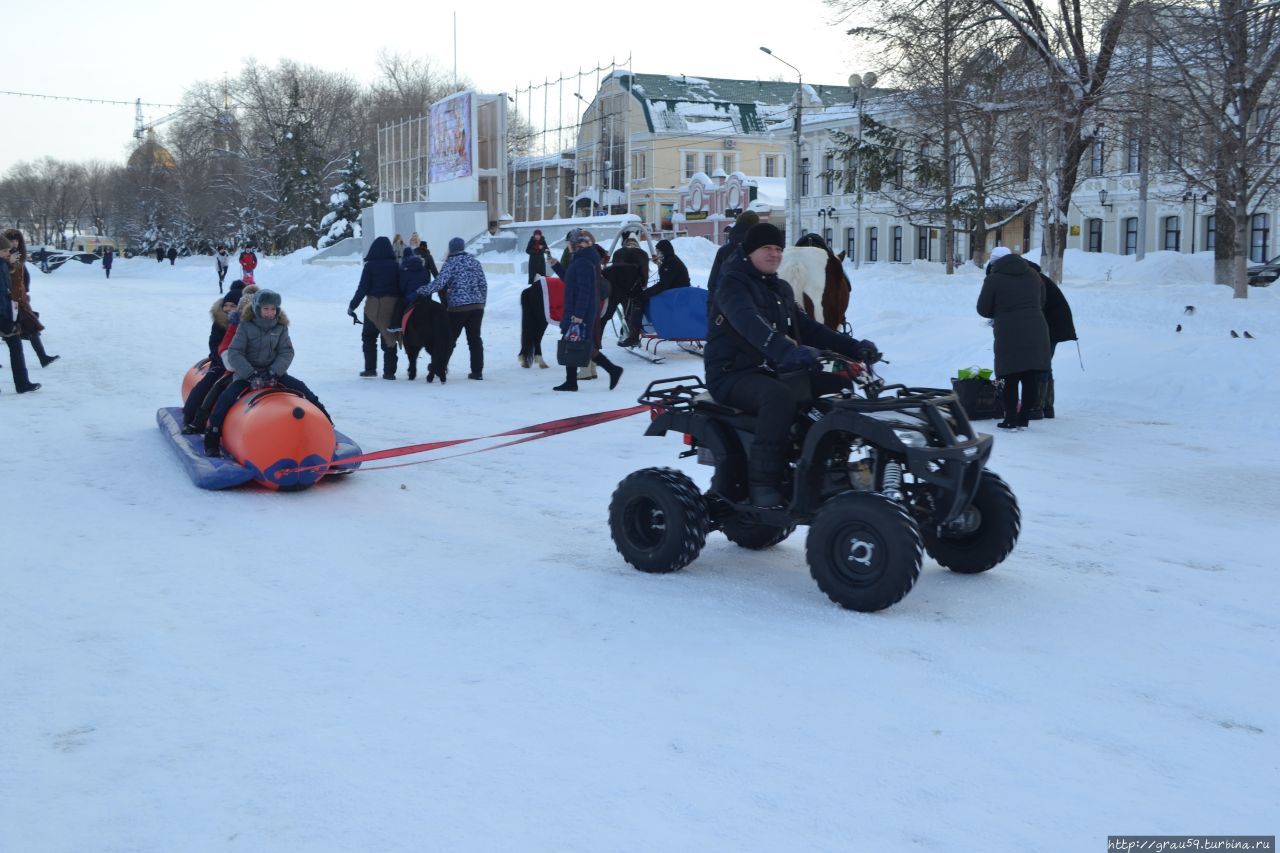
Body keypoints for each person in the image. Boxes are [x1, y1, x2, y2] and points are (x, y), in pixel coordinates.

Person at [706, 223, 878, 508]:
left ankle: (819, 463)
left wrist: (854, 347)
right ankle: (763, 483)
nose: (774, 255)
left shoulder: (779, 287)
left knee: (838, 386)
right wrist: (788, 351)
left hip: (771, 369)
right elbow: (752, 327)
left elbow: (809, 328)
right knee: (778, 398)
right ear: (750, 252)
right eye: (767, 249)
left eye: (778, 249)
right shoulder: (733, 285)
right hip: (731, 374)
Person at [204, 289, 329, 457]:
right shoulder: (245, 326)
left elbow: (286, 352)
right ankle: (212, 438)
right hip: (246, 375)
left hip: (273, 374)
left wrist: (273, 372)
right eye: (266, 308)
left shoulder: (281, 327)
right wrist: (250, 375)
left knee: (303, 389)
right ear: (257, 308)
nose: (270, 313)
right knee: (226, 398)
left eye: (273, 309)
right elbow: (235, 352)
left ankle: (327, 423)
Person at [976, 246, 1052, 431]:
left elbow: (983, 309)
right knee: (1030, 376)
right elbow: (1042, 300)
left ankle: (1010, 418)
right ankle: (1024, 418)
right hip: (1037, 329)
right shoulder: (1034, 275)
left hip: (1009, 331)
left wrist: (1001, 311)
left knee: (1007, 376)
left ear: (995, 262)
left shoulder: (994, 279)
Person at [550, 229, 623, 392]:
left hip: (579, 311)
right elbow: (570, 280)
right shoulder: (580, 259)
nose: (567, 246)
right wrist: (556, 265)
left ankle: (572, 381)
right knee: (579, 344)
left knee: (573, 343)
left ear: (577, 244)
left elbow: (585, 290)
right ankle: (612, 370)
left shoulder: (583, 262)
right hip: (577, 309)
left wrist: (579, 315)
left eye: (569, 243)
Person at [416, 237, 487, 380]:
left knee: (449, 339)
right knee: (475, 340)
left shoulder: (450, 263)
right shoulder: (474, 262)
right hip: (477, 307)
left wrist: (422, 290)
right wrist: (482, 302)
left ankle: (439, 366)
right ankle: (477, 372)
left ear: (451, 248)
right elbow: (483, 284)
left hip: (458, 309)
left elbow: (439, 283)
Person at [182, 281, 247, 433]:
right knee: (207, 384)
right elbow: (215, 345)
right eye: (226, 305)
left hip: (242, 365)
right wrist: (223, 363)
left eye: (233, 306)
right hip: (220, 363)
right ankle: (191, 417)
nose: (228, 309)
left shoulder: (245, 324)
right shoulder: (220, 322)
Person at [347, 236, 402, 379]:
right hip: (390, 306)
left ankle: (370, 368)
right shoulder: (395, 266)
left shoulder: (369, 266)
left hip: (372, 306)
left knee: (369, 337)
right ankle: (389, 372)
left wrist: (353, 306)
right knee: (389, 338)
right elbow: (401, 287)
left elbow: (363, 288)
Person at [619, 238, 690, 347]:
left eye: (658, 251)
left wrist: (644, 294)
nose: (657, 254)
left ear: (663, 251)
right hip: (678, 295)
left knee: (638, 301)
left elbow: (663, 285)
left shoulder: (669, 263)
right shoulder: (672, 260)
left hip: (674, 297)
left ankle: (634, 337)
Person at [3, 229, 59, 368]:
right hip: (9, 300)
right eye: (11, 240)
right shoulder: (4, 257)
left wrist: (25, 291)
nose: (14, 243)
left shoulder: (19, 256)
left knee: (31, 327)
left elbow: (24, 276)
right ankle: (42, 358)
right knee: (12, 331)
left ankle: (43, 357)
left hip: (20, 299)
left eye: (16, 240)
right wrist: (8, 263)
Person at [0, 232, 39, 393]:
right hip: (3, 316)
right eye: (4, 251)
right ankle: (22, 383)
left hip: (7, 313)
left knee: (16, 347)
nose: (8, 253)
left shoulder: (3, 264)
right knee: (16, 347)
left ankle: (23, 383)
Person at [707, 210, 759, 300]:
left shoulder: (723, 251)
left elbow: (712, 284)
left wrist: (712, 309)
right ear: (756, 226)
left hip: (723, 305)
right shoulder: (759, 249)